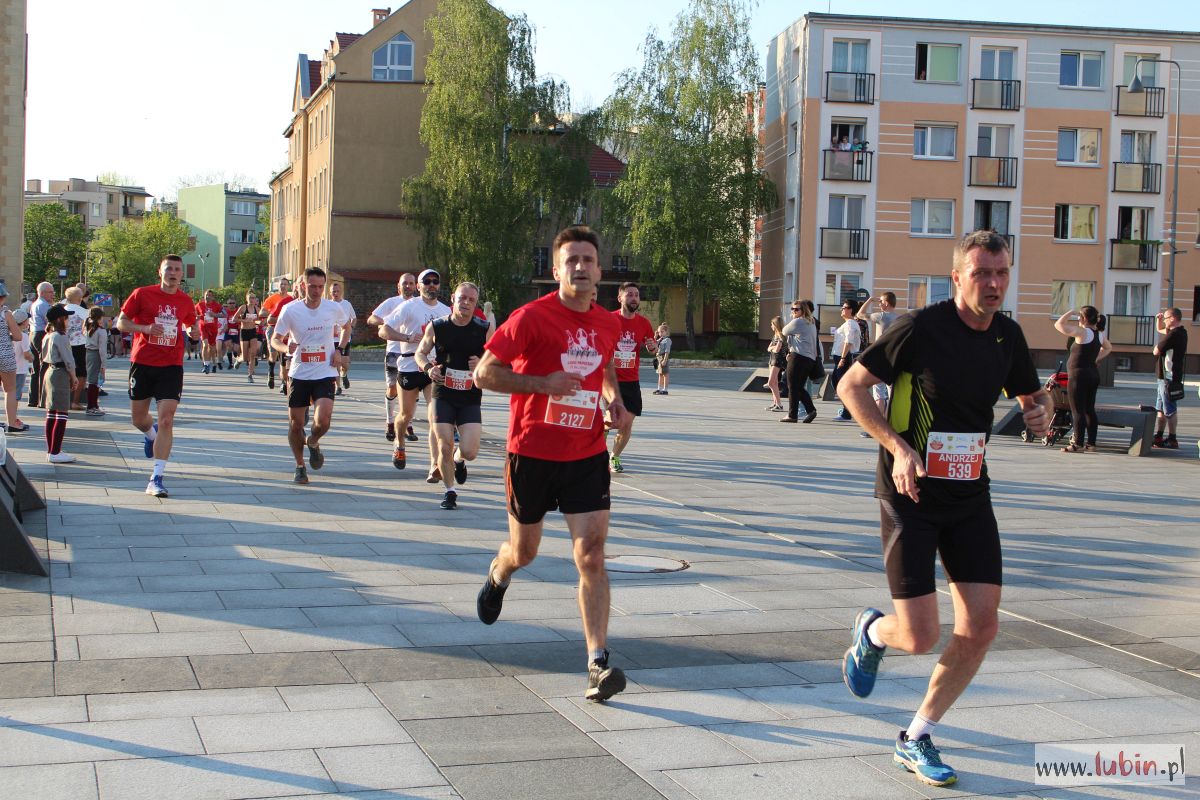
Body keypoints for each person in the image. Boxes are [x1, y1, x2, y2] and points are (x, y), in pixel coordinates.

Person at [837, 230, 1051, 788]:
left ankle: (916, 736)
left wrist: (1043, 409)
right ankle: (873, 633)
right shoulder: (920, 328)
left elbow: (1033, 397)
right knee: (920, 636)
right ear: (957, 278)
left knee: (981, 626)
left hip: (970, 495)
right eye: (981, 273)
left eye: (1001, 273)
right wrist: (898, 447)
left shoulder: (1007, 335)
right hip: (909, 495)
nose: (994, 284)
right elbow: (851, 386)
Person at [473, 225, 630, 702]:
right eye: (571, 260)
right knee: (525, 552)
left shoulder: (608, 323)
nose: (580, 267)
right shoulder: (530, 318)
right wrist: (542, 384)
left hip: (586, 453)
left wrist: (614, 400)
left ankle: (597, 662)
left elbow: (605, 365)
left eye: (588, 260)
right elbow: (483, 374)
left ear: (599, 272)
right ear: (557, 270)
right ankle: (499, 573)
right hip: (532, 453)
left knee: (592, 554)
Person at [116, 255, 200, 498]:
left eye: (177, 269)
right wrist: (145, 328)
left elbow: (190, 325)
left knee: (166, 420)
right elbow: (121, 323)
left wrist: (193, 332)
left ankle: (156, 478)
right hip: (142, 362)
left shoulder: (185, 300)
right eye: (168, 269)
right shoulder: (142, 294)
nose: (173, 273)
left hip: (171, 365)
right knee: (138, 419)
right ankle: (149, 434)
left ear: (181, 274)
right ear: (160, 272)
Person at [414, 281, 495, 509]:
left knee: (470, 451)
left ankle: (459, 460)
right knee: (444, 445)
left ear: (476, 303)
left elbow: (498, 358)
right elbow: (420, 353)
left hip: (470, 395)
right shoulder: (438, 326)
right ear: (453, 299)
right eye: (462, 298)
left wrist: (482, 363)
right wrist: (428, 369)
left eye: (471, 300)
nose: (466, 303)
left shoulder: (484, 328)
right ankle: (450, 491)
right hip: (443, 393)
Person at [272, 267, 350, 485]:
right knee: (296, 423)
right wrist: (285, 348)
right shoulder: (290, 310)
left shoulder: (332, 308)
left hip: (325, 371)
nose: (316, 291)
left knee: (323, 420)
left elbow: (347, 327)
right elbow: (275, 339)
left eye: (320, 287)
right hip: (299, 373)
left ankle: (313, 441)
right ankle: (300, 466)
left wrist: (339, 350)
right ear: (303, 286)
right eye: (312, 286)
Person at [380, 270, 449, 474]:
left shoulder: (446, 310)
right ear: (419, 286)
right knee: (405, 414)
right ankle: (399, 443)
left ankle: (434, 465)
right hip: (409, 366)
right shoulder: (408, 306)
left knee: (435, 415)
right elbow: (383, 330)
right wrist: (407, 338)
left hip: (433, 369)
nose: (431, 284)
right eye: (426, 281)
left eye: (435, 281)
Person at [608, 282, 658, 473]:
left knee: (627, 423)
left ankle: (614, 456)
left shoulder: (643, 323)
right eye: (629, 294)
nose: (634, 298)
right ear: (620, 298)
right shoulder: (609, 319)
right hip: (610, 380)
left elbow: (650, 346)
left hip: (631, 381)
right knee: (612, 420)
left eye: (636, 295)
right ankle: (595, 451)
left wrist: (653, 348)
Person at [368, 273, 418, 442]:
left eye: (411, 283)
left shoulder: (419, 304)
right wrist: (387, 322)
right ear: (399, 286)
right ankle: (390, 422)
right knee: (392, 388)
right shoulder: (391, 302)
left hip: (412, 353)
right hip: (394, 352)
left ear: (416, 286)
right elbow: (371, 319)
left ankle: (408, 424)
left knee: (412, 391)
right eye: (405, 283)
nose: (408, 286)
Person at [1054, 306, 1111, 452]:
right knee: (1089, 410)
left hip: (1079, 376)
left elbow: (1058, 324)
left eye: (1079, 316)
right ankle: (1091, 444)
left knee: (1077, 410)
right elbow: (1108, 348)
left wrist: (1070, 312)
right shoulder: (1099, 334)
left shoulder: (1082, 332)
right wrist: (1096, 358)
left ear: (1083, 318)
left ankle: (1077, 444)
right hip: (1093, 375)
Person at [41, 304, 79, 463]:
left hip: (50, 371)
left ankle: (52, 450)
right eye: (66, 317)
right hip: (60, 373)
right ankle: (55, 452)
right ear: (59, 319)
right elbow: (68, 360)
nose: (68, 320)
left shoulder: (48, 335)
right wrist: (74, 377)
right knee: (62, 413)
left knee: (51, 413)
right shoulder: (61, 336)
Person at [857, 292, 901, 417]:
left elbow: (860, 314)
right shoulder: (899, 319)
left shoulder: (881, 316)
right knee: (892, 392)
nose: (879, 304)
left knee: (879, 393)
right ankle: (890, 421)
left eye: (881, 301)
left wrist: (870, 300)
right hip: (894, 358)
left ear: (886, 303)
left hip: (880, 357)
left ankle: (878, 423)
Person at [1151, 307, 1187, 449]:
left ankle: (1172, 439)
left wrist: (1157, 346)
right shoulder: (1181, 332)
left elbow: (1156, 351)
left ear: (1172, 319)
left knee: (1170, 410)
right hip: (1165, 377)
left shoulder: (1174, 335)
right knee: (1160, 409)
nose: (1164, 321)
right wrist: (1159, 320)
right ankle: (1159, 436)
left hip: (1168, 377)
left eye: (1166, 318)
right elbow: (1160, 329)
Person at [780, 299, 819, 423]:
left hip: (798, 357)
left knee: (792, 386)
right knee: (798, 387)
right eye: (792, 309)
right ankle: (811, 410)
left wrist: (793, 319)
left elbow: (784, 331)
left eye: (797, 309)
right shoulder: (811, 322)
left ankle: (792, 415)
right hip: (809, 359)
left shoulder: (798, 321)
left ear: (803, 310)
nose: (793, 311)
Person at [0, 283, 29, 432]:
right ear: (3, 297)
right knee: (10, 390)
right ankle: (12, 423)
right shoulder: (6, 313)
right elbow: (18, 336)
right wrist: (7, 337)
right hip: (5, 355)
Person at [831, 299, 862, 421]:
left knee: (842, 385)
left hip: (845, 357)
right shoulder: (848, 323)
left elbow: (848, 342)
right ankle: (847, 409)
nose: (842, 309)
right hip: (841, 357)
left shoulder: (850, 324)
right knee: (836, 382)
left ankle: (847, 412)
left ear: (851, 310)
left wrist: (843, 358)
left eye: (844, 307)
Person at [260, 277, 294, 390]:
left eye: (285, 284)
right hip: (273, 327)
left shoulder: (291, 299)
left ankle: (283, 381)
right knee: (273, 354)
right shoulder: (272, 298)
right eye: (281, 284)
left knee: (283, 355)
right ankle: (271, 373)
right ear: (278, 286)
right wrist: (273, 313)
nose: (283, 286)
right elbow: (262, 312)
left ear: (288, 286)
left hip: (285, 329)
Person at [27, 282, 55, 408]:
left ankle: (33, 398)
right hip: (41, 334)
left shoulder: (35, 304)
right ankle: (42, 398)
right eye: (50, 292)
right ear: (42, 293)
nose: (53, 294)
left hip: (34, 333)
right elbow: (49, 322)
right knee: (44, 365)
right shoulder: (43, 305)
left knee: (36, 368)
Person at [62, 287, 89, 409]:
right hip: (80, 344)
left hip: (64, 343)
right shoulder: (84, 312)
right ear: (80, 298)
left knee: (65, 371)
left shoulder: (62, 311)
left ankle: (65, 400)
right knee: (81, 373)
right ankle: (75, 401)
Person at [330, 282, 356, 395]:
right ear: (330, 293)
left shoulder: (346, 304)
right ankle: (338, 386)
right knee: (335, 363)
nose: (335, 293)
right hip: (332, 339)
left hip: (345, 338)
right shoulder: (327, 305)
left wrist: (350, 328)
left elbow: (354, 318)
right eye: (333, 292)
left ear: (341, 292)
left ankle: (344, 374)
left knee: (344, 363)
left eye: (337, 291)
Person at [232, 292, 263, 383]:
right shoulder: (243, 308)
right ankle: (239, 359)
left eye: (253, 298)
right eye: (250, 298)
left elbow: (260, 320)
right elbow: (234, 319)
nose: (252, 300)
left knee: (253, 354)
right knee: (245, 357)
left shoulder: (257, 309)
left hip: (253, 332)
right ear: (247, 299)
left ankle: (250, 375)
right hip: (244, 332)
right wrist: (244, 320)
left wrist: (259, 322)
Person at [83, 307, 109, 416]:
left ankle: (94, 405)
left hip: (89, 353)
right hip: (96, 354)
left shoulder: (87, 327)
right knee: (95, 382)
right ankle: (91, 407)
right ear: (99, 317)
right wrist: (104, 364)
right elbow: (102, 349)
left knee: (92, 381)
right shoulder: (101, 331)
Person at [195, 290, 224, 374]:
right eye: (206, 295)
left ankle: (212, 363)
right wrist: (197, 317)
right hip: (203, 327)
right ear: (204, 296)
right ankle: (206, 365)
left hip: (213, 329)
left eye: (210, 295)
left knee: (212, 347)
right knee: (205, 345)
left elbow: (225, 314)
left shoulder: (217, 305)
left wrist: (214, 315)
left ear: (213, 297)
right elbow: (193, 314)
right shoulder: (199, 305)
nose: (208, 296)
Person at [764, 315, 787, 411]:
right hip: (773, 360)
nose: (771, 326)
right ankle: (775, 403)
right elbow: (768, 348)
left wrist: (772, 348)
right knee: (774, 383)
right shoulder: (775, 336)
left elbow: (777, 350)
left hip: (778, 360)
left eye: (772, 324)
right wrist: (773, 348)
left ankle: (779, 405)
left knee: (771, 382)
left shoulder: (781, 336)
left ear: (776, 325)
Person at [11, 310, 33, 406]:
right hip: (20, 369)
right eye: (27, 320)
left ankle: (10, 414)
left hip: (8, 368)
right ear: (23, 322)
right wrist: (32, 358)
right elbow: (26, 354)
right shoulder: (23, 336)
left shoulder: (8, 334)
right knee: (16, 395)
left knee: (9, 393)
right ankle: (13, 414)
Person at [652, 323, 671, 395]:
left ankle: (665, 389)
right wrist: (655, 336)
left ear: (666, 332)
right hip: (659, 358)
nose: (660, 333)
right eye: (659, 332)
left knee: (665, 374)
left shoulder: (667, 340)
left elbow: (667, 351)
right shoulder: (660, 339)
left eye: (662, 332)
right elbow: (654, 344)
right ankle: (659, 388)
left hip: (663, 357)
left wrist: (665, 360)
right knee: (660, 374)